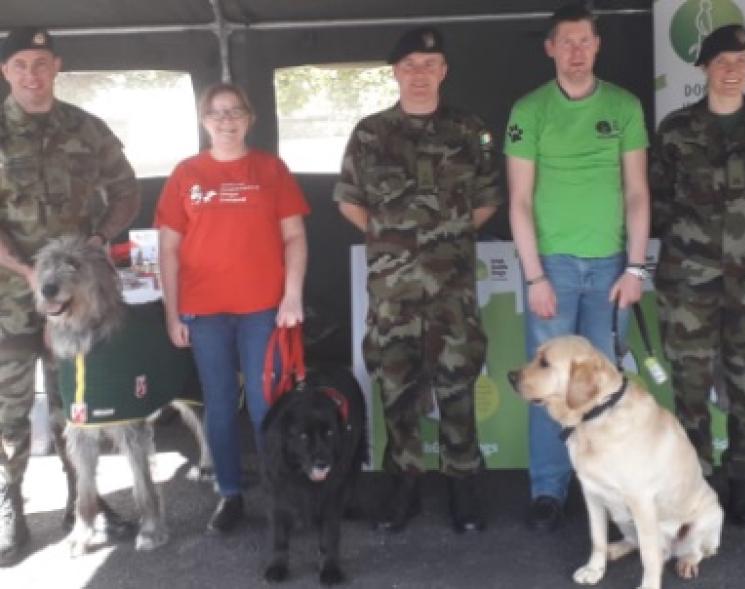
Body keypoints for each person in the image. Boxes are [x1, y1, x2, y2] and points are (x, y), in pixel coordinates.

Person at [334, 26, 502, 533]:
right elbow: (349, 201)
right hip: (393, 294)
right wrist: (397, 242)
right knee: (396, 389)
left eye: (429, 66)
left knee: (457, 385)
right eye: (410, 66)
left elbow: (488, 199)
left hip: (452, 291)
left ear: (443, 71)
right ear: (396, 73)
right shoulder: (370, 132)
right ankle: (402, 487)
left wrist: (440, 242)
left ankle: (462, 488)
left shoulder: (470, 130)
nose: (420, 75)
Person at [505, 3, 650, 533]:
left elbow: (637, 192)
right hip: (554, 269)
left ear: (597, 45)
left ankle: (611, 492)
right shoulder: (529, 110)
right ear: (550, 48)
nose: (576, 51)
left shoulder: (624, 105)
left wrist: (636, 268)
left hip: (612, 264)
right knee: (548, 388)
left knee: (604, 387)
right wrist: (535, 275)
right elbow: (518, 200)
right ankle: (548, 488)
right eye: (565, 42)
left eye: (585, 41)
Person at [0, 27, 140, 565]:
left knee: (75, 405)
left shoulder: (86, 128)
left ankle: (83, 502)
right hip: (11, 295)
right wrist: (23, 269)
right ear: (6, 72)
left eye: (40, 62)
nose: (32, 74)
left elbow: (126, 188)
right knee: (8, 411)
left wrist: (101, 239)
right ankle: (9, 506)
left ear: (56, 66)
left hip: (77, 301)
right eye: (20, 65)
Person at [650, 24, 745, 527]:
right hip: (688, 281)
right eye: (721, 62)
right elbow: (659, 201)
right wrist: (698, 247)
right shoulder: (675, 130)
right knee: (690, 389)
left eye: (740, 60)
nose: (732, 71)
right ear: (704, 69)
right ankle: (695, 485)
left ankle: (744, 486)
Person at [156, 82, 309, 535]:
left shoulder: (270, 169)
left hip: (264, 308)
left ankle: (280, 494)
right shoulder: (186, 174)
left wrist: (293, 295)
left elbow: (295, 237)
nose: (225, 120)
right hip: (204, 312)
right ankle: (230, 494)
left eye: (235, 111)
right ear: (203, 121)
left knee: (267, 407)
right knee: (220, 406)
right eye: (216, 113)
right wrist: (172, 313)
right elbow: (168, 250)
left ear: (249, 118)